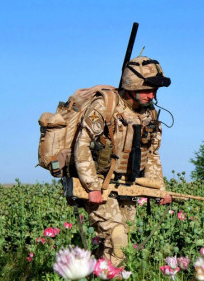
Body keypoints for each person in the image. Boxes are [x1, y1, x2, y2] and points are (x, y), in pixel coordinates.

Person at [74, 56, 172, 266]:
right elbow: (81, 146)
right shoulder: (105, 107)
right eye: (147, 90)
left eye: (154, 90)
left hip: (129, 186)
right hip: (100, 185)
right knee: (118, 240)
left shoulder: (150, 114)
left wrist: (160, 189)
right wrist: (92, 187)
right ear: (131, 86)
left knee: (117, 244)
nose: (152, 95)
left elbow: (152, 153)